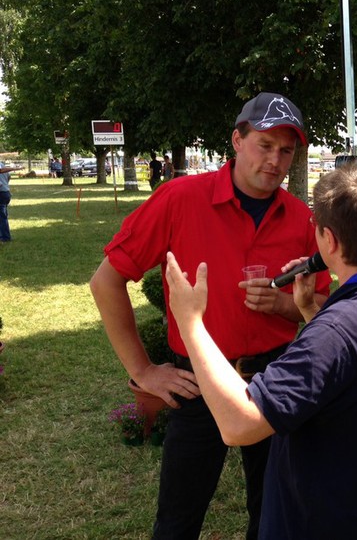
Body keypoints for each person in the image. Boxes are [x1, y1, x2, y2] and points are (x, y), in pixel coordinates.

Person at [90, 92, 332, 539]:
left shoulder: (301, 219)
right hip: (197, 384)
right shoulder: (180, 198)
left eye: (287, 150)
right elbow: (105, 281)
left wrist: (282, 304)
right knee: (178, 520)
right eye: (265, 145)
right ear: (237, 141)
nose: (276, 160)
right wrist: (143, 370)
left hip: (273, 380)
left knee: (276, 517)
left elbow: (319, 310)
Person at [164, 165, 357, 539]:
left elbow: (239, 424)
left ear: (329, 241)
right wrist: (308, 308)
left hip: (337, 520)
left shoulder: (336, 331)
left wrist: (191, 323)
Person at [0, 161, 24, 243]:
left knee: (2, 217)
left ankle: (5, 237)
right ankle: (4, 236)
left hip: (1, 193)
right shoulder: (2, 164)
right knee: (3, 216)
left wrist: (15, 168)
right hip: (6, 192)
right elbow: (8, 177)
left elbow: (1, 170)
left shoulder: (2, 167)